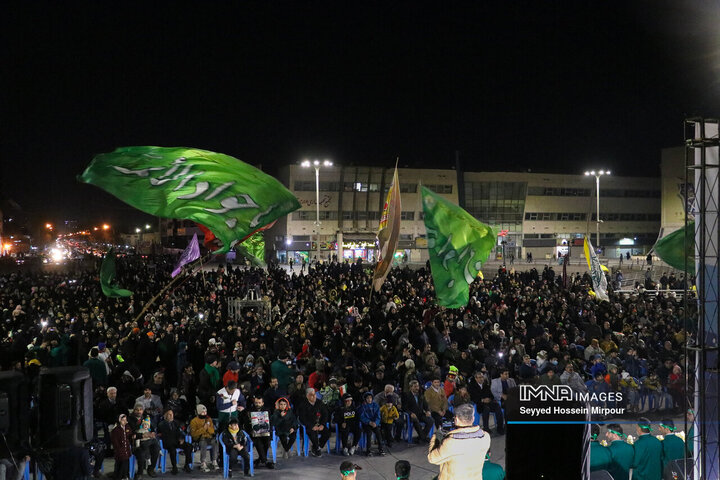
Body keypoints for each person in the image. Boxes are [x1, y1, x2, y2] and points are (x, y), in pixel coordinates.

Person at [427, 403, 490, 479]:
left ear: (456, 420)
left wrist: (437, 436)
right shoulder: (485, 436)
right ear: (473, 418)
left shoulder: (451, 442)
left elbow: (432, 458)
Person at [239, 395, 274, 469]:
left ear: (263, 403)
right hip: (253, 433)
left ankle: (260, 459)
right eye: (256, 403)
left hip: (264, 433)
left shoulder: (267, 411)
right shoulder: (249, 410)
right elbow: (242, 420)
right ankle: (265, 461)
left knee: (267, 441)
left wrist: (269, 432)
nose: (257, 404)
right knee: (258, 442)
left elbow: (270, 423)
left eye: (259, 403)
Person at [157, 409, 193, 474]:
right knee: (172, 449)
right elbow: (162, 435)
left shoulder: (176, 423)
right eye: (169, 414)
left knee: (189, 446)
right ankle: (174, 467)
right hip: (168, 442)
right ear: (165, 416)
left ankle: (186, 465)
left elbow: (181, 432)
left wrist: (181, 439)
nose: (171, 416)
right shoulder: (161, 424)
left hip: (177, 441)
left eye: (172, 414)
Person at [468, 371, 504, 435]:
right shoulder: (472, 387)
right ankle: (486, 428)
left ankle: (500, 427)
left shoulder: (486, 385)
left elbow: (491, 395)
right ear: (476, 378)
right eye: (479, 377)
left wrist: (489, 399)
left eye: (482, 377)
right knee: (486, 409)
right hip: (480, 404)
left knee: (497, 407)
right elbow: (472, 398)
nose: (481, 379)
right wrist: (482, 400)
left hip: (489, 402)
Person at [297, 388, 330, 457]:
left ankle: (317, 447)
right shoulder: (303, 405)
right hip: (310, 425)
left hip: (319, 424)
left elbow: (325, 414)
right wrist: (311, 426)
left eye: (314, 394)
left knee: (327, 433)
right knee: (312, 433)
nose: (314, 396)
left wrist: (323, 425)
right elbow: (302, 418)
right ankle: (317, 448)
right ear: (307, 396)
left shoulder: (319, 403)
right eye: (311, 395)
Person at [189, 404, 219, 472]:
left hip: (209, 437)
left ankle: (214, 460)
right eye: (203, 412)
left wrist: (208, 428)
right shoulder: (194, 421)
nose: (204, 413)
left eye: (205, 412)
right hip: (200, 438)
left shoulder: (209, 419)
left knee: (215, 442)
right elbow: (193, 434)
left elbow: (212, 431)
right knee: (203, 443)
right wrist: (203, 429)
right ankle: (203, 462)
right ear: (198, 412)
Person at [358, 392, 386, 456]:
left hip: (374, 423)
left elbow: (378, 416)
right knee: (369, 433)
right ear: (365, 399)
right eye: (367, 398)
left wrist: (376, 423)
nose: (369, 399)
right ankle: (368, 450)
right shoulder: (363, 407)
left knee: (378, 433)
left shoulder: (375, 405)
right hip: (366, 424)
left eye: (370, 398)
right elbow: (362, 417)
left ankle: (381, 449)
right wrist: (369, 422)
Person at [110, 414, 134, 480]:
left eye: (125, 420)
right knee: (121, 463)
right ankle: (119, 476)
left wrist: (132, 436)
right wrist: (119, 449)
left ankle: (125, 475)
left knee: (126, 462)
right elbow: (115, 441)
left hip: (126, 449)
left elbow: (129, 435)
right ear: (119, 420)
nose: (125, 421)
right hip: (120, 450)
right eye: (123, 420)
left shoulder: (127, 427)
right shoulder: (116, 430)